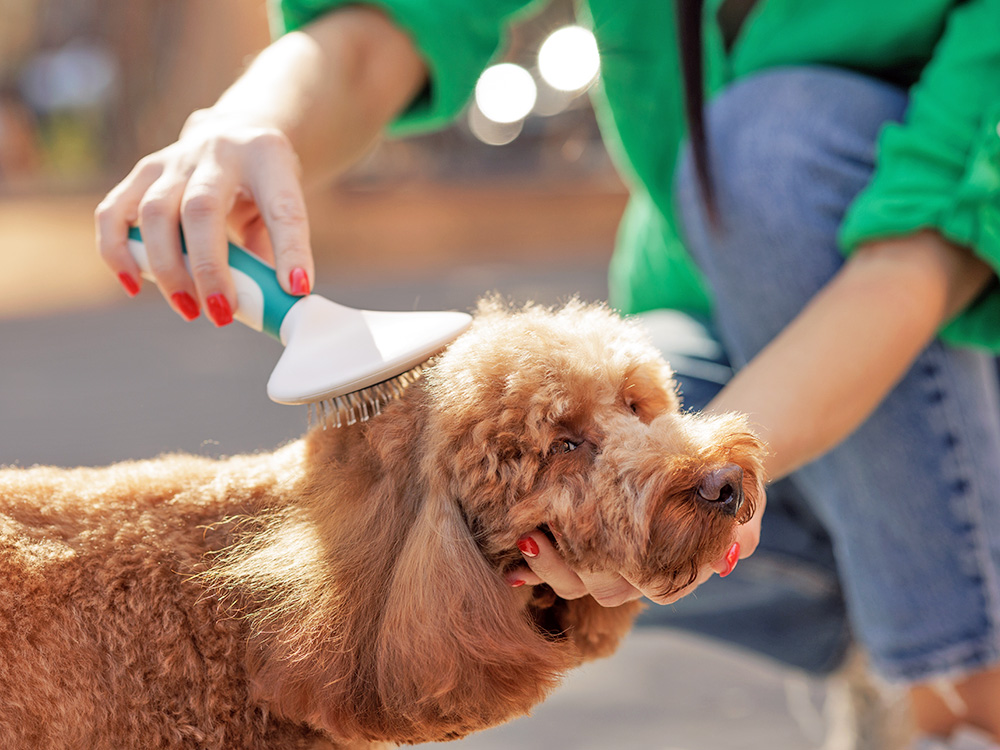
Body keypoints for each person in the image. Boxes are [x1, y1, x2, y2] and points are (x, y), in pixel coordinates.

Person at [95, 2, 1000, 747]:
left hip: (949, 338)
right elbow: (392, 27)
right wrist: (254, 120)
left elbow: (915, 267)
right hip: (703, 331)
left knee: (771, 146)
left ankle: (958, 680)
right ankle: (888, 620)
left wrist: (687, 474)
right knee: (526, 490)